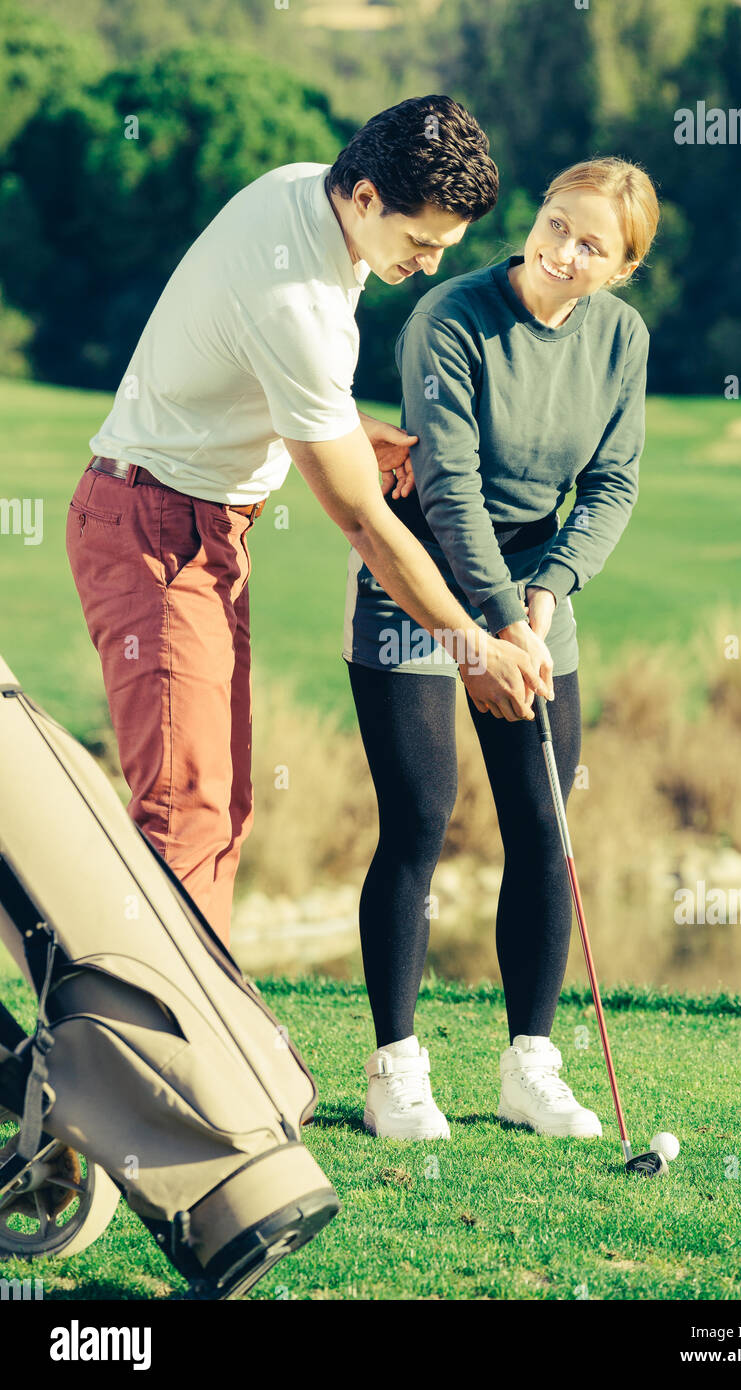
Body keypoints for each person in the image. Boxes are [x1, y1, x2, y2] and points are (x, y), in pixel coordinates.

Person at [66, 95, 552, 947]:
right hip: (156, 532)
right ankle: (164, 1053)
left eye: (446, 246)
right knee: (187, 809)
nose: (432, 265)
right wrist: (471, 648)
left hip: (192, 524)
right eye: (421, 242)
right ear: (365, 196)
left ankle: (194, 1031)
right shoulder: (297, 298)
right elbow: (361, 519)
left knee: (220, 802)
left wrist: (341, 424)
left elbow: (243, 362)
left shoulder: (301, 191)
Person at [343, 156, 660, 1139]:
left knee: (540, 828)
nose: (564, 250)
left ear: (621, 267)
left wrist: (542, 598)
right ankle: (394, 1070)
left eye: (592, 243)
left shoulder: (619, 338)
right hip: (419, 589)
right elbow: (450, 485)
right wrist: (491, 624)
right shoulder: (450, 316)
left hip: (530, 601)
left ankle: (530, 1065)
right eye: (557, 224)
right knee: (421, 817)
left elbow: (612, 482)